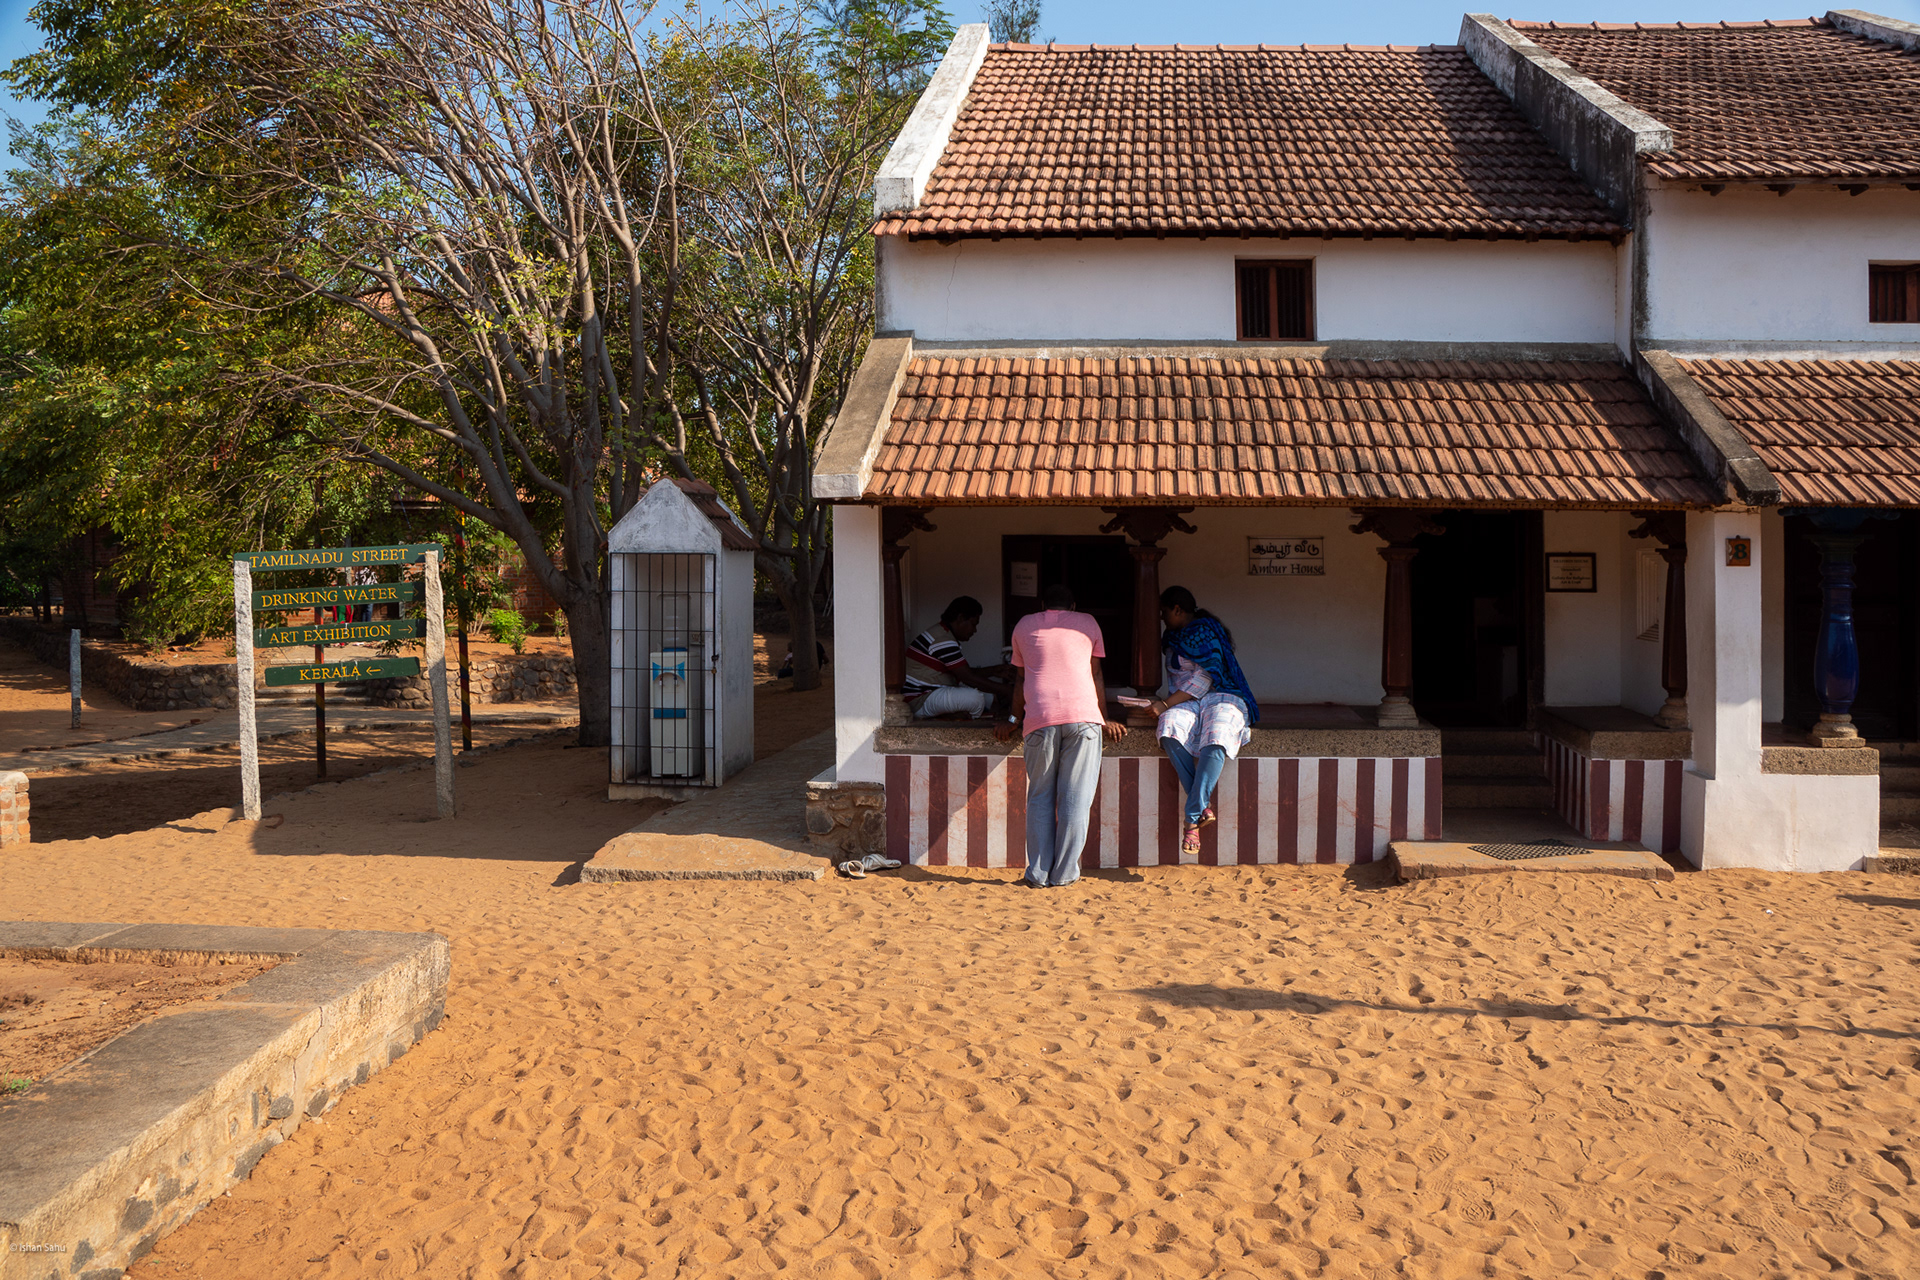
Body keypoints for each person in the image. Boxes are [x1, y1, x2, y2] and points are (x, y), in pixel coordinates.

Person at [996, 584, 1126, 887]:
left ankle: (1038, 874)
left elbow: (1020, 678)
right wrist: (1104, 717)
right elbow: (1095, 674)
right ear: (1074, 606)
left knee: (1040, 797)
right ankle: (1065, 874)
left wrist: (1013, 719)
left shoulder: (1024, 625)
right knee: (1075, 800)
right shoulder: (1088, 623)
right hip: (1083, 718)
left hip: (1039, 718)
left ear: (1043, 605)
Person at [1148, 585, 1259, 857]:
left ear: (1177, 610)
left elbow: (1204, 678)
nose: (1162, 617)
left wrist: (1165, 703)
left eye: (1164, 611)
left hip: (1221, 694)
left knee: (1217, 734)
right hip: (1186, 700)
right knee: (1169, 729)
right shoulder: (1171, 636)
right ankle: (1202, 806)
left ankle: (1192, 819)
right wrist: (1167, 706)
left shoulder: (1205, 633)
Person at [904, 596, 1012, 719]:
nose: (974, 630)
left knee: (989, 697)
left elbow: (964, 673)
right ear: (960, 618)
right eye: (973, 624)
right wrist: (1007, 690)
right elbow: (967, 677)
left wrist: (994, 671)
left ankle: (953, 715)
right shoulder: (942, 639)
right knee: (976, 699)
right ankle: (953, 718)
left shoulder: (943, 633)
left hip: (932, 693)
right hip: (919, 700)